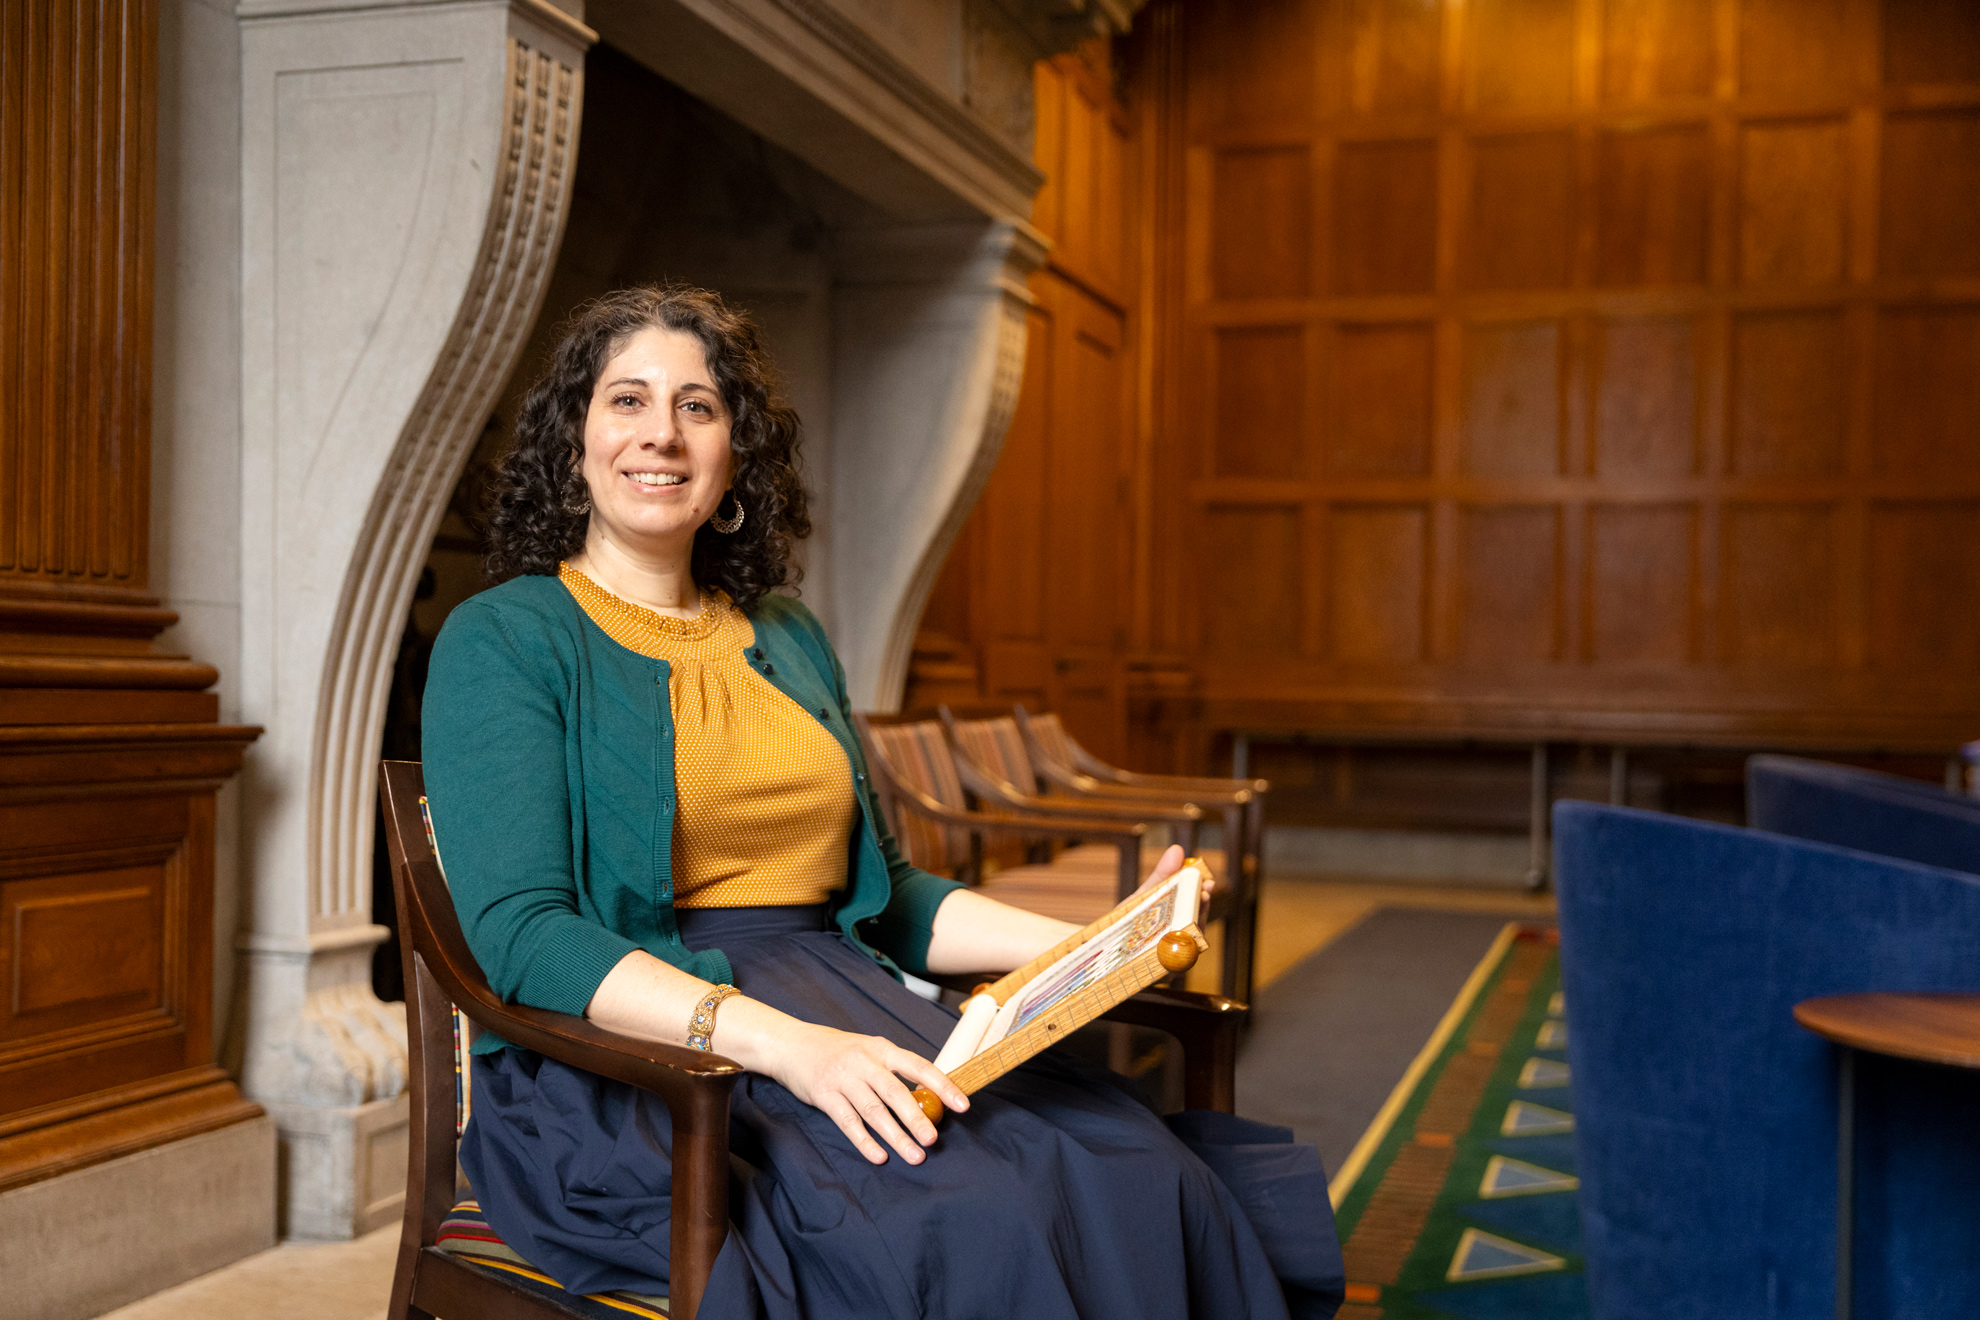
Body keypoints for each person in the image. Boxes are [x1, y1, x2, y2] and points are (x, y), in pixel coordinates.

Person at [421, 285, 1344, 1320]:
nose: (661, 436)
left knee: (1137, 1172)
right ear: (576, 441)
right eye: (626, 400)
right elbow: (525, 937)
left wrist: (1100, 942)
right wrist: (785, 1045)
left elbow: (890, 898)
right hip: (641, 1059)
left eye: (697, 407)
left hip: (842, 995)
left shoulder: (785, 632)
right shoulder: (505, 638)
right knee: (975, 1220)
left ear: (734, 454)